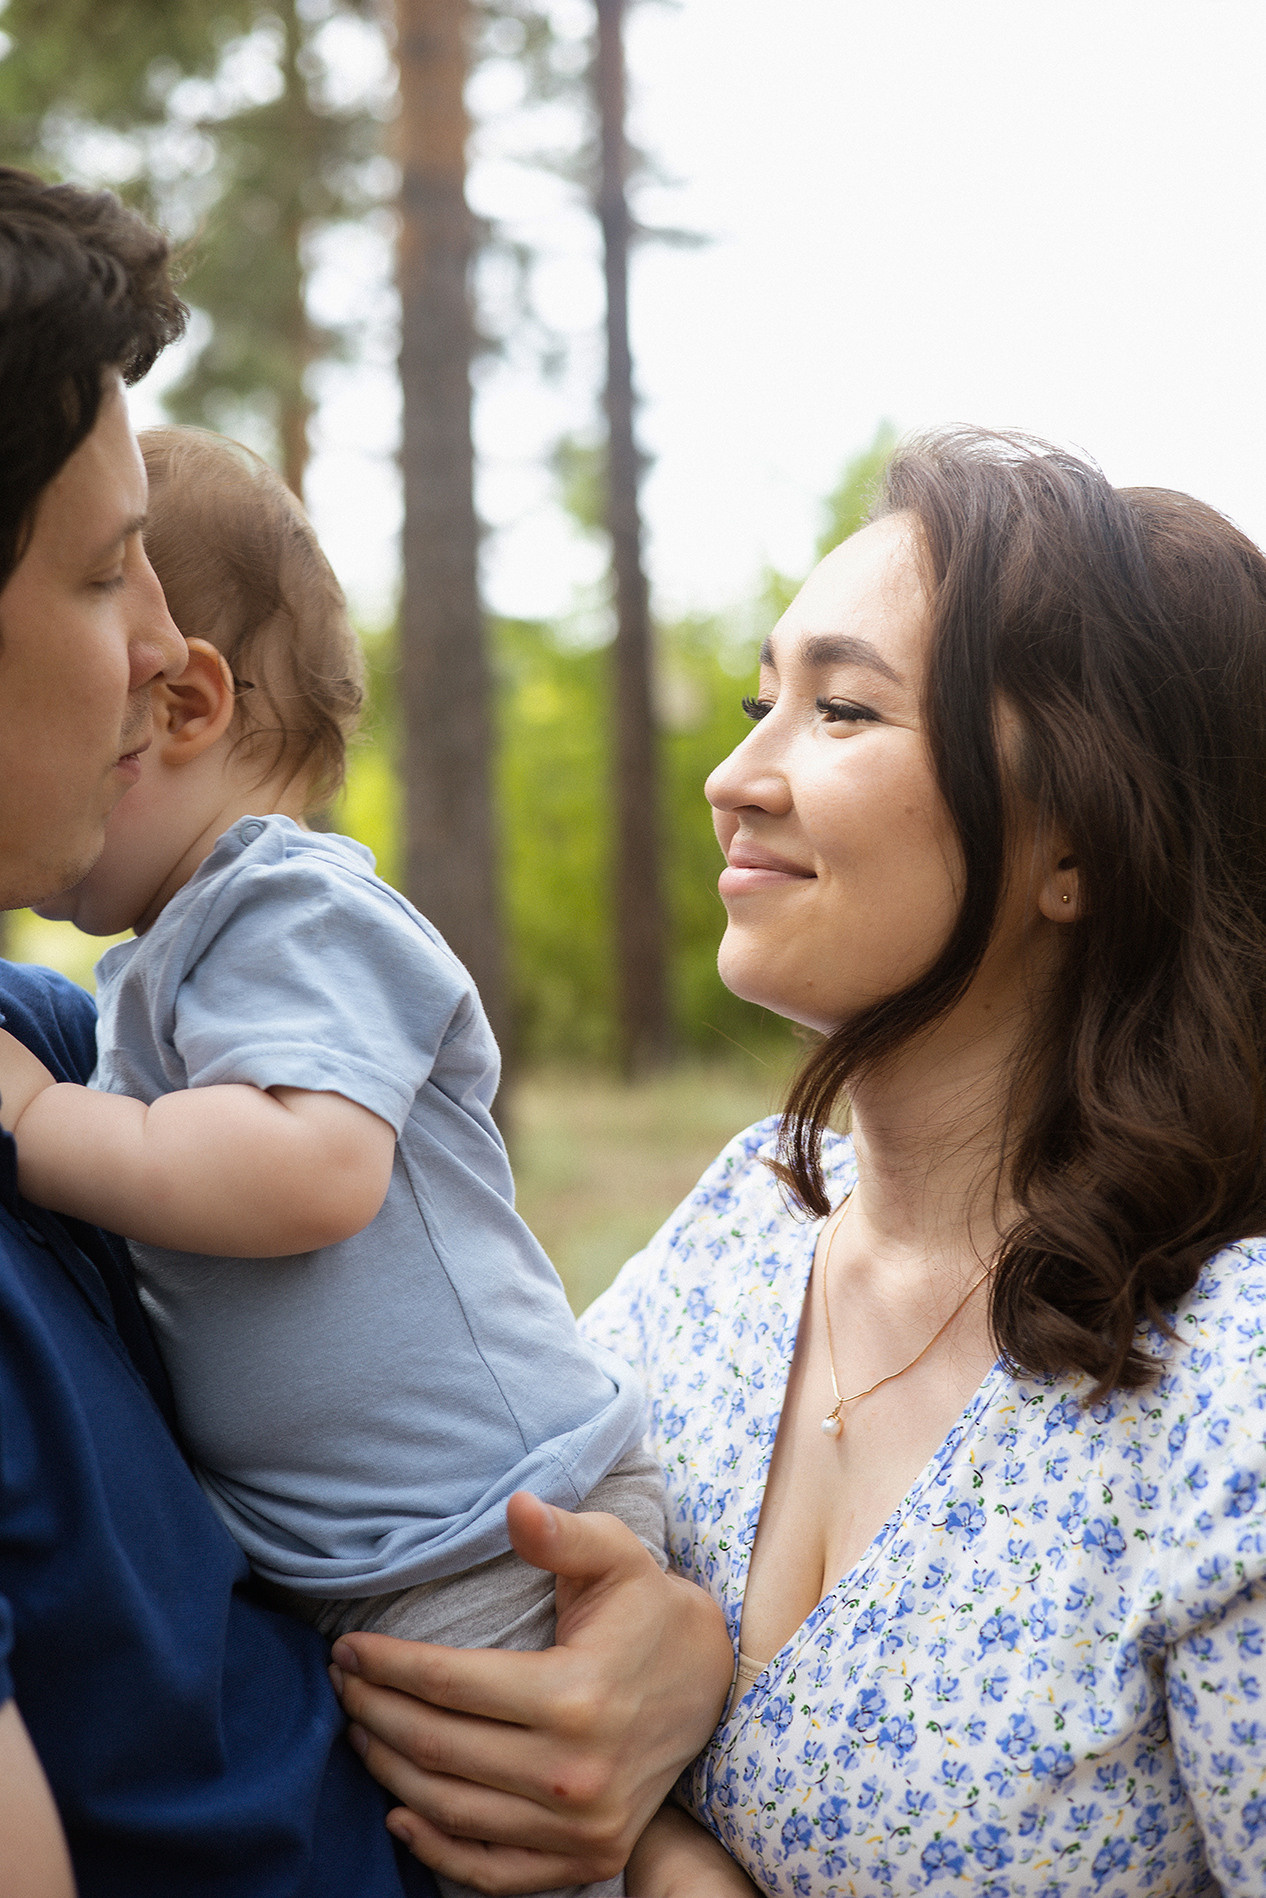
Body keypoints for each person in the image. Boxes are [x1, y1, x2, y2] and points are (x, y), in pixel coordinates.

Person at [0, 165, 732, 1898]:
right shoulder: (115, 1023)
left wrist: (669, 1668)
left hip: (481, 1547)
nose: (154, 645)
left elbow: (313, 1168)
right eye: (105, 574)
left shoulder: (150, 991)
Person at [570, 432, 1266, 1894]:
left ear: (1076, 843)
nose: (733, 778)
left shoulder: (1223, 1383)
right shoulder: (738, 1229)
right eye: (762, 700)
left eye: (840, 709)